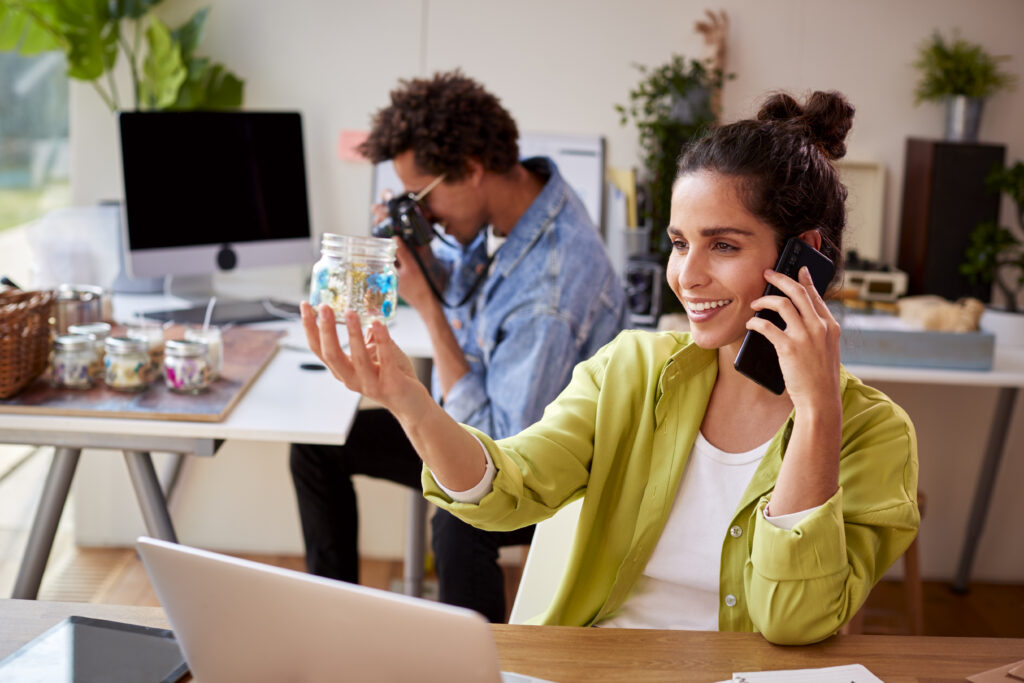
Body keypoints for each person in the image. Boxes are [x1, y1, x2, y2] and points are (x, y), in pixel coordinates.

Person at [299, 89, 919, 645]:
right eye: (680, 243)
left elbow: (794, 621)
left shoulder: (875, 436)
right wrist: (410, 399)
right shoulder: (629, 369)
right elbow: (508, 493)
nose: (688, 275)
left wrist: (816, 415)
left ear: (802, 258)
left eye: (723, 245)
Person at [289, 71, 627, 624]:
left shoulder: (551, 291)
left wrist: (425, 304)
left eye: (421, 196)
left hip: (551, 474)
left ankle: (476, 664)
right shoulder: (526, 206)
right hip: (493, 422)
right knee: (319, 446)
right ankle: (334, 625)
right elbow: (480, 298)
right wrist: (423, 259)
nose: (424, 213)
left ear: (470, 169)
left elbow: (501, 446)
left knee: (460, 518)